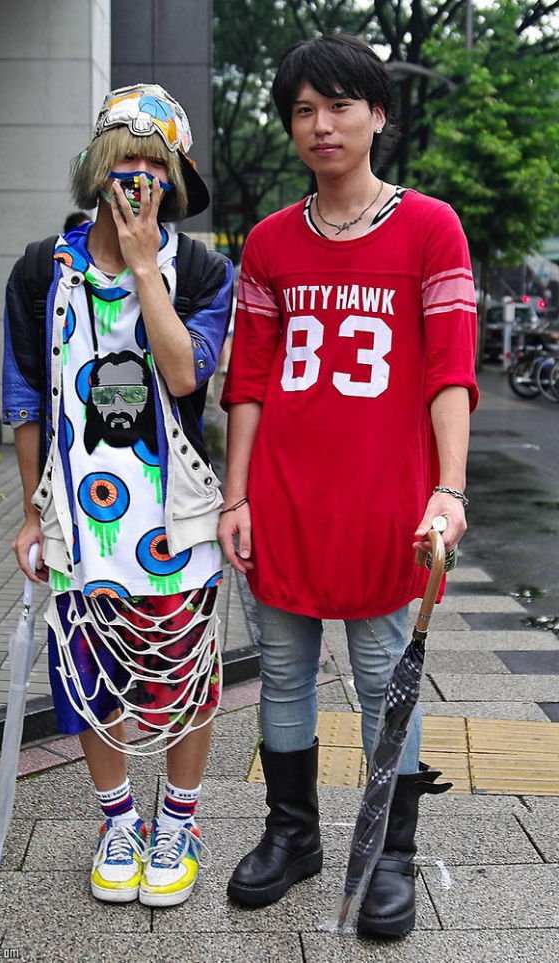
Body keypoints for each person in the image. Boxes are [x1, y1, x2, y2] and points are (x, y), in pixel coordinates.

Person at [219, 34, 479, 938]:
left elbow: (450, 371)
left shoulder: (431, 228)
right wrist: (236, 498)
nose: (321, 125)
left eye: (338, 105)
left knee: (383, 677)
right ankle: (293, 835)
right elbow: (248, 381)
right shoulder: (268, 241)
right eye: (303, 110)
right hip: (283, 496)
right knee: (284, 672)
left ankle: (389, 852)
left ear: (377, 114)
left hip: (384, 501)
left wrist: (450, 489)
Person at [3, 84, 233, 908]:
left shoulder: (201, 271)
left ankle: (179, 822)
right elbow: (25, 399)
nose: (138, 177)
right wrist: (30, 513)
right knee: (92, 680)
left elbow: (185, 372)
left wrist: (143, 266)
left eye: (155, 164)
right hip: (80, 521)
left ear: (175, 179)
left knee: (183, 676)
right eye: (123, 160)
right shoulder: (42, 270)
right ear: (96, 167)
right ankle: (118, 822)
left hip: (175, 522)